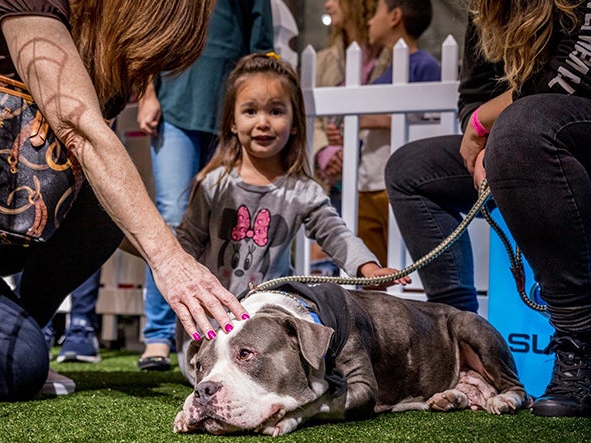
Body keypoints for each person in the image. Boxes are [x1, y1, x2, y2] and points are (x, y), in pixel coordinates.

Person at [385, 0, 591, 417]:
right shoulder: (489, 7)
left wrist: (486, 126)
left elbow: (589, 72)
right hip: (539, 131)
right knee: (411, 170)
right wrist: (484, 135)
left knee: (522, 126)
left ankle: (585, 346)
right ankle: (461, 348)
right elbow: (474, 94)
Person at [0, 0, 248, 402]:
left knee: (102, 206)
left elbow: (113, 211)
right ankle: (17, 342)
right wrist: (170, 260)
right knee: (14, 364)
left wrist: (188, 262)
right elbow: (79, 127)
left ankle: (21, 329)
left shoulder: (100, 60)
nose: (143, 77)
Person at [175, 52, 411, 383]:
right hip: (212, 324)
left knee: (287, 372)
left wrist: (367, 269)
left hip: (267, 322)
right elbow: (186, 242)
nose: (263, 122)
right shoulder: (213, 184)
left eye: (275, 111)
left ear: (295, 121)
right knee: (221, 377)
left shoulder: (303, 191)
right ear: (232, 120)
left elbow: (336, 234)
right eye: (250, 111)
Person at [135, 0, 274, 372]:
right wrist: (149, 93)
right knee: (170, 216)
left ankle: (223, 329)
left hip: (229, 111)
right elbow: (149, 31)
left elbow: (261, 44)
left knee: (227, 223)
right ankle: (159, 336)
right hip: (174, 102)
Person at [345, 0, 440, 266]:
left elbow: (432, 124)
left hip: (394, 182)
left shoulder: (424, 65)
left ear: (395, 16)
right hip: (367, 180)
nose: (369, 21)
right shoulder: (384, 72)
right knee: (372, 267)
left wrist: (377, 120)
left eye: (377, 12)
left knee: (403, 266)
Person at [309, 0, 390, 275]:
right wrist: (326, 152)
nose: (328, 4)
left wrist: (351, 139)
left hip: (374, 172)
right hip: (334, 178)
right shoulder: (324, 59)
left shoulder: (389, 55)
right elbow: (315, 119)